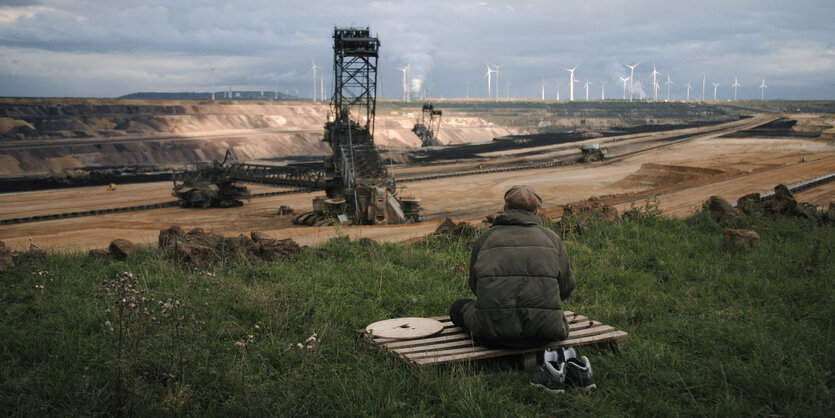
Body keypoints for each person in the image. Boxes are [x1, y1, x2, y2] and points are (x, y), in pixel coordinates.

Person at [448, 185, 595, 393]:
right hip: (547, 333)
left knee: (458, 308)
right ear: (537, 212)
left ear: (504, 208)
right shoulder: (553, 239)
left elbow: (476, 287)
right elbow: (566, 289)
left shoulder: (485, 239)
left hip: (492, 335)